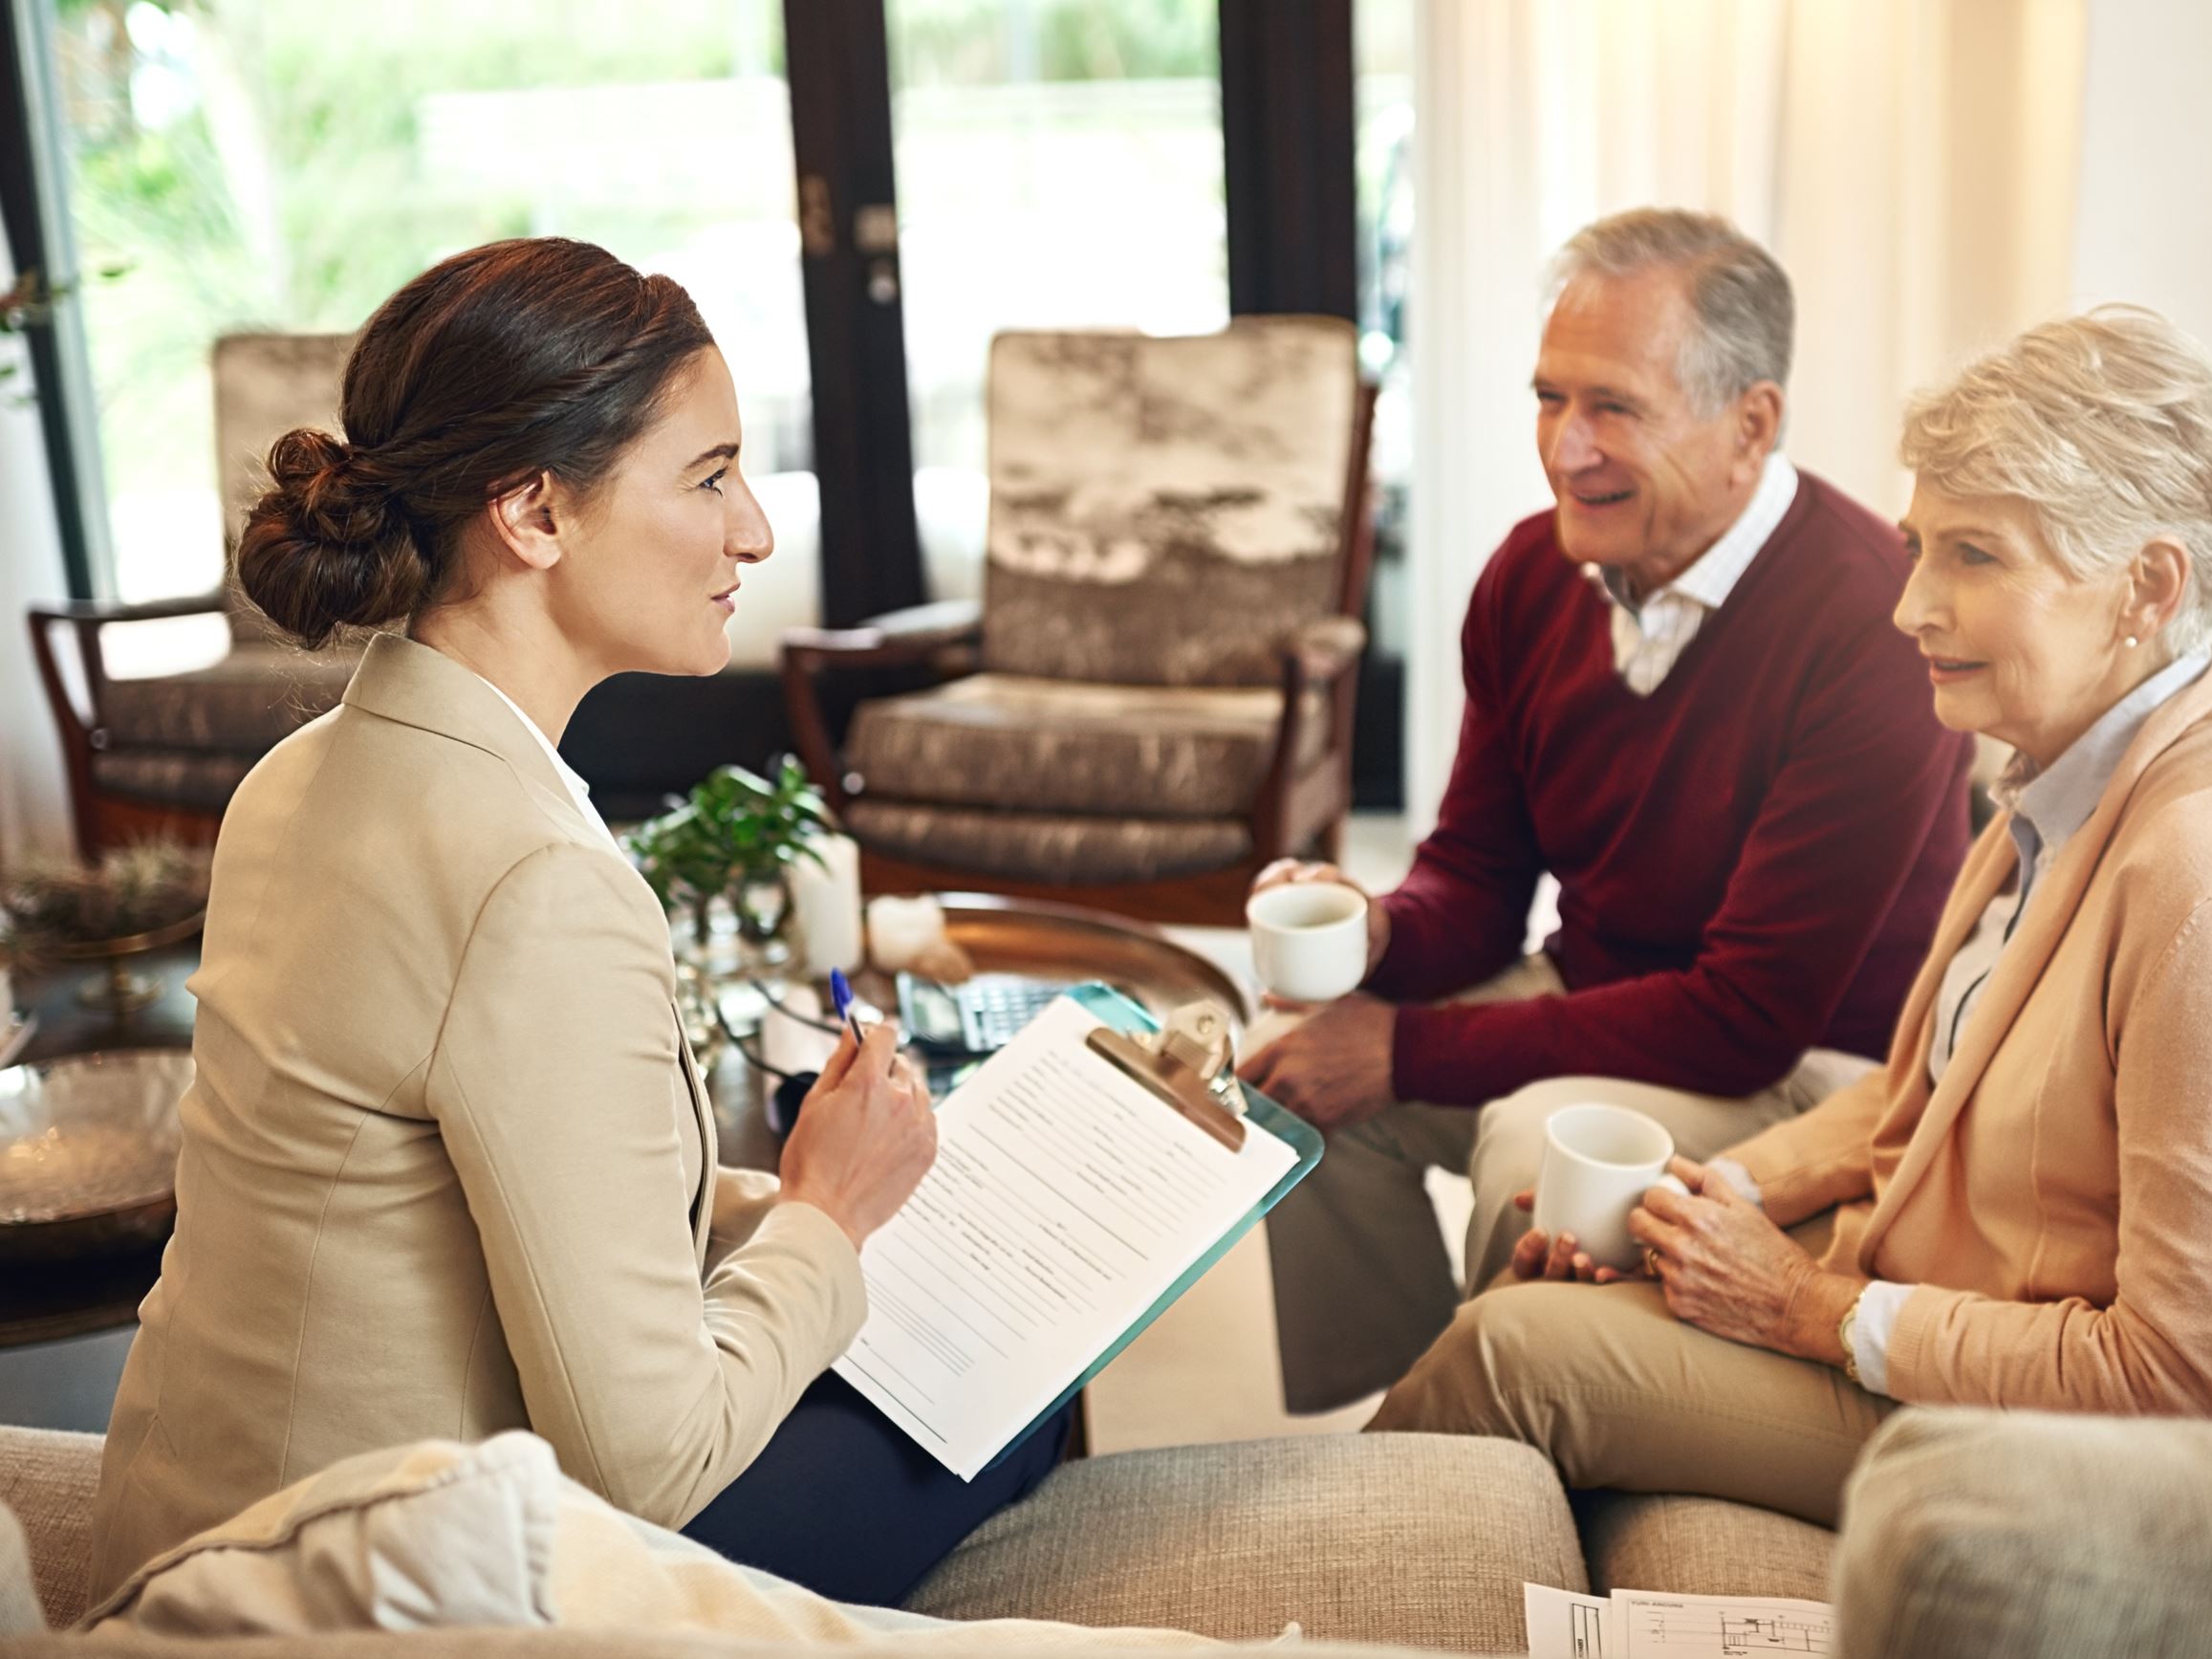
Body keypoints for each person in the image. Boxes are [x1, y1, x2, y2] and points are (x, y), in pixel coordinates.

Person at [87, 238, 1066, 1605]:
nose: (756, 532)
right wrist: (826, 1215)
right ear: (535, 512)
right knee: (1024, 1375)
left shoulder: (295, 777)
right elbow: (648, 1461)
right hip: (381, 1589)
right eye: (711, 475)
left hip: (196, 1534)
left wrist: (793, 1206)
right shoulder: (533, 877)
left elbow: (444, 1201)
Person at [1368, 306, 2212, 1523]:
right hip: (1969, 1308)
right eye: (1919, 544)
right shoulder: (2065, 770)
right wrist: (1703, 1201)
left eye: (1971, 556)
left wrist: (1807, 1308)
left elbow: (2178, 1377)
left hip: (2165, 1468)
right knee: (1544, 1281)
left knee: (1515, 1353)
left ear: (2146, 584)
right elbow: (1924, 1086)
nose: (1907, 604)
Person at [1238, 207, 1973, 1411]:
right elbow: (1473, 875)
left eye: (1613, 408)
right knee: (1290, 1090)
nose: (1564, 448)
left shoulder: (1870, 621)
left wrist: (1404, 1046)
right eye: (1547, 399)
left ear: (1751, 424)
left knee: (1537, 1144)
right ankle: (1413, 1416)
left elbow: (1744, 1019)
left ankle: (1484, 1430)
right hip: (1608, 993)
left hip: (1814, 1064)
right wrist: (1373, 929)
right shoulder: (1533, 574)